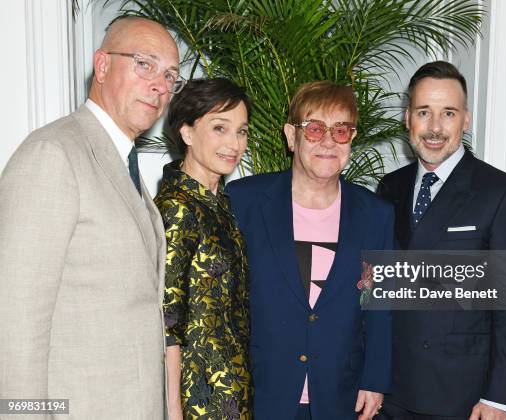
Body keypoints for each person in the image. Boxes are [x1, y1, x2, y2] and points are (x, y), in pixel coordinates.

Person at [0, 17, 181, 419]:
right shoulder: (53, 154)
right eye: (144, 64)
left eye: (171, 75)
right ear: (102, 67)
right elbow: (14, 327)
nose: (160, 85)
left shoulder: (124, 164)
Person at [226, 81, 393, 420]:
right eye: (314, 129)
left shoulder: (376, 214)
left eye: (341, 130)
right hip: (261, 392)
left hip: (339, 395)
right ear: (292, 136)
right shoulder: (243, 201)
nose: (329, 141)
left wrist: (375, 380)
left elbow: (380, 306)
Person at [377, 61, 506, 419]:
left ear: (466, 119)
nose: (434, 128)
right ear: (407, 119)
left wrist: (499, 398)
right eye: (423, 112)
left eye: (448, 113)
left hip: (462, 397)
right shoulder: (390, 187)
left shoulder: (500, 192)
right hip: (390, 391)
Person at [154, 78, 252, 420]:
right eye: (220, 128)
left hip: (232, 395)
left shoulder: (220, 206)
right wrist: (173, 411)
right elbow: (166, 323)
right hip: (199, 403)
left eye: (241, 131)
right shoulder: (176, 208)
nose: (233, 143)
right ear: (187, 132)